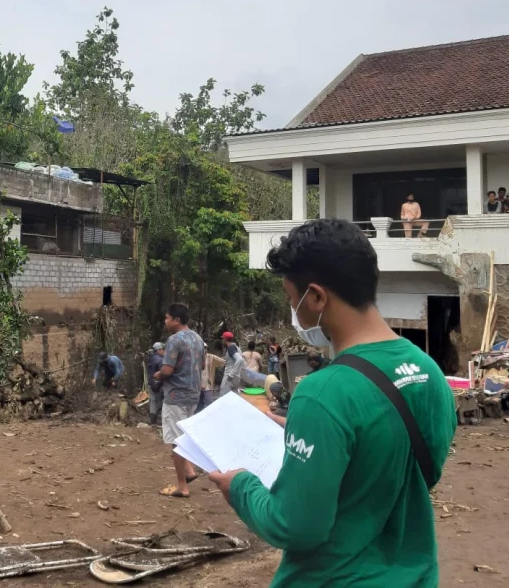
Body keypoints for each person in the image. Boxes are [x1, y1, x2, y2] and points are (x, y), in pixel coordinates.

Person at [207, 218, 457, 587]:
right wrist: (298, 427)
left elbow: (294, 526)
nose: (292, 310)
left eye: (292, 298)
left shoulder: (322, 394)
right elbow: (416, 471)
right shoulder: (429, 372)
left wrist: (240, 487)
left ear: (317, 297)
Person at [153, 303, 205, 499]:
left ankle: (182, 487)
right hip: (193, 395)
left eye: (167, 318)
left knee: (176, 442)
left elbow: (167, 370)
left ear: (176, 320)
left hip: (176, 397)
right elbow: (201, 365)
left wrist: (156, 376)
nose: (165, 322)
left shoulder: (174, 340)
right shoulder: (198, 339)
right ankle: (189, 471)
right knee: (183, 436)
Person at [220, 331, 244, 397]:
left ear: (225, 339)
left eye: (222, 339)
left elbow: (239, 359)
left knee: (223, 398)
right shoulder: (237, 348)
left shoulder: (231, 347)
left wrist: (231, 374)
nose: (222, 341)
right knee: (234, 399)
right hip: (236, 378)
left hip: (229, 378)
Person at [146, 342, 165, 424]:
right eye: (163, 349)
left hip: (151, 383)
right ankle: (159, 421)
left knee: (152, 402)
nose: (164, 351)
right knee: (160, 402)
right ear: (159, 350)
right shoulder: (160, 360)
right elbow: (163, 373)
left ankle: (152, 422)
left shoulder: (149, 359)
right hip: (159, 385)